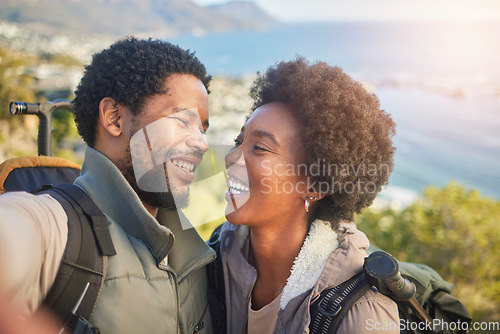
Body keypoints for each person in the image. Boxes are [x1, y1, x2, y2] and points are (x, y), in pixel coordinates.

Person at [0, 37, 215, 333]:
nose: (202, 144)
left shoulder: (199, 254)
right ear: (114, 118)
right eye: (182, 121)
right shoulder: (55, 224)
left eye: (203, 129)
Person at [209, 57, 399, 333]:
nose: (230, 158)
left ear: (316, 185)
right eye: (238, 142)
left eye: (259, 148)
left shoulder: (362, 316)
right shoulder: (214, 259)